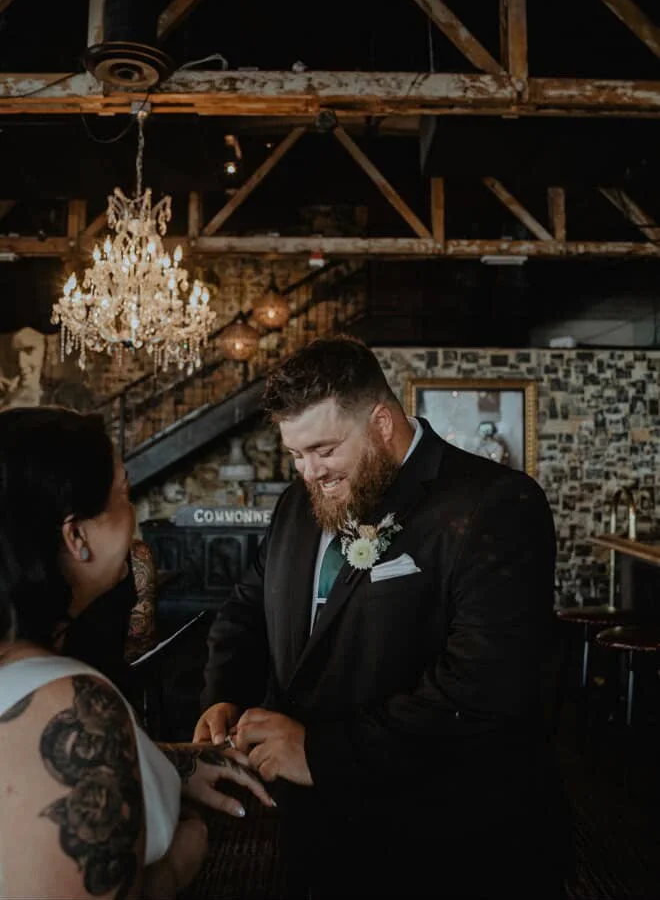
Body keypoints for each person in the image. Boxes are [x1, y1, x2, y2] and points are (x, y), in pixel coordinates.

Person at [194, 334, 573, 900]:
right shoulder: (298, 502)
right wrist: (225, 694)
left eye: (323, 449)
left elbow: (487, 687)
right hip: (320, 833)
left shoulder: (495, 501)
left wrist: (320, 752)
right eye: (295, 454)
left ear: (380, 422)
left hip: (450, 838)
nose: (308, 472)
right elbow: (248, 608)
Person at [0, 406, 275, 899]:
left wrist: (170, 763)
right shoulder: (73, 705)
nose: (136, 516)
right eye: (125, 495)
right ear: (76, 534)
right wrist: (174, 868)